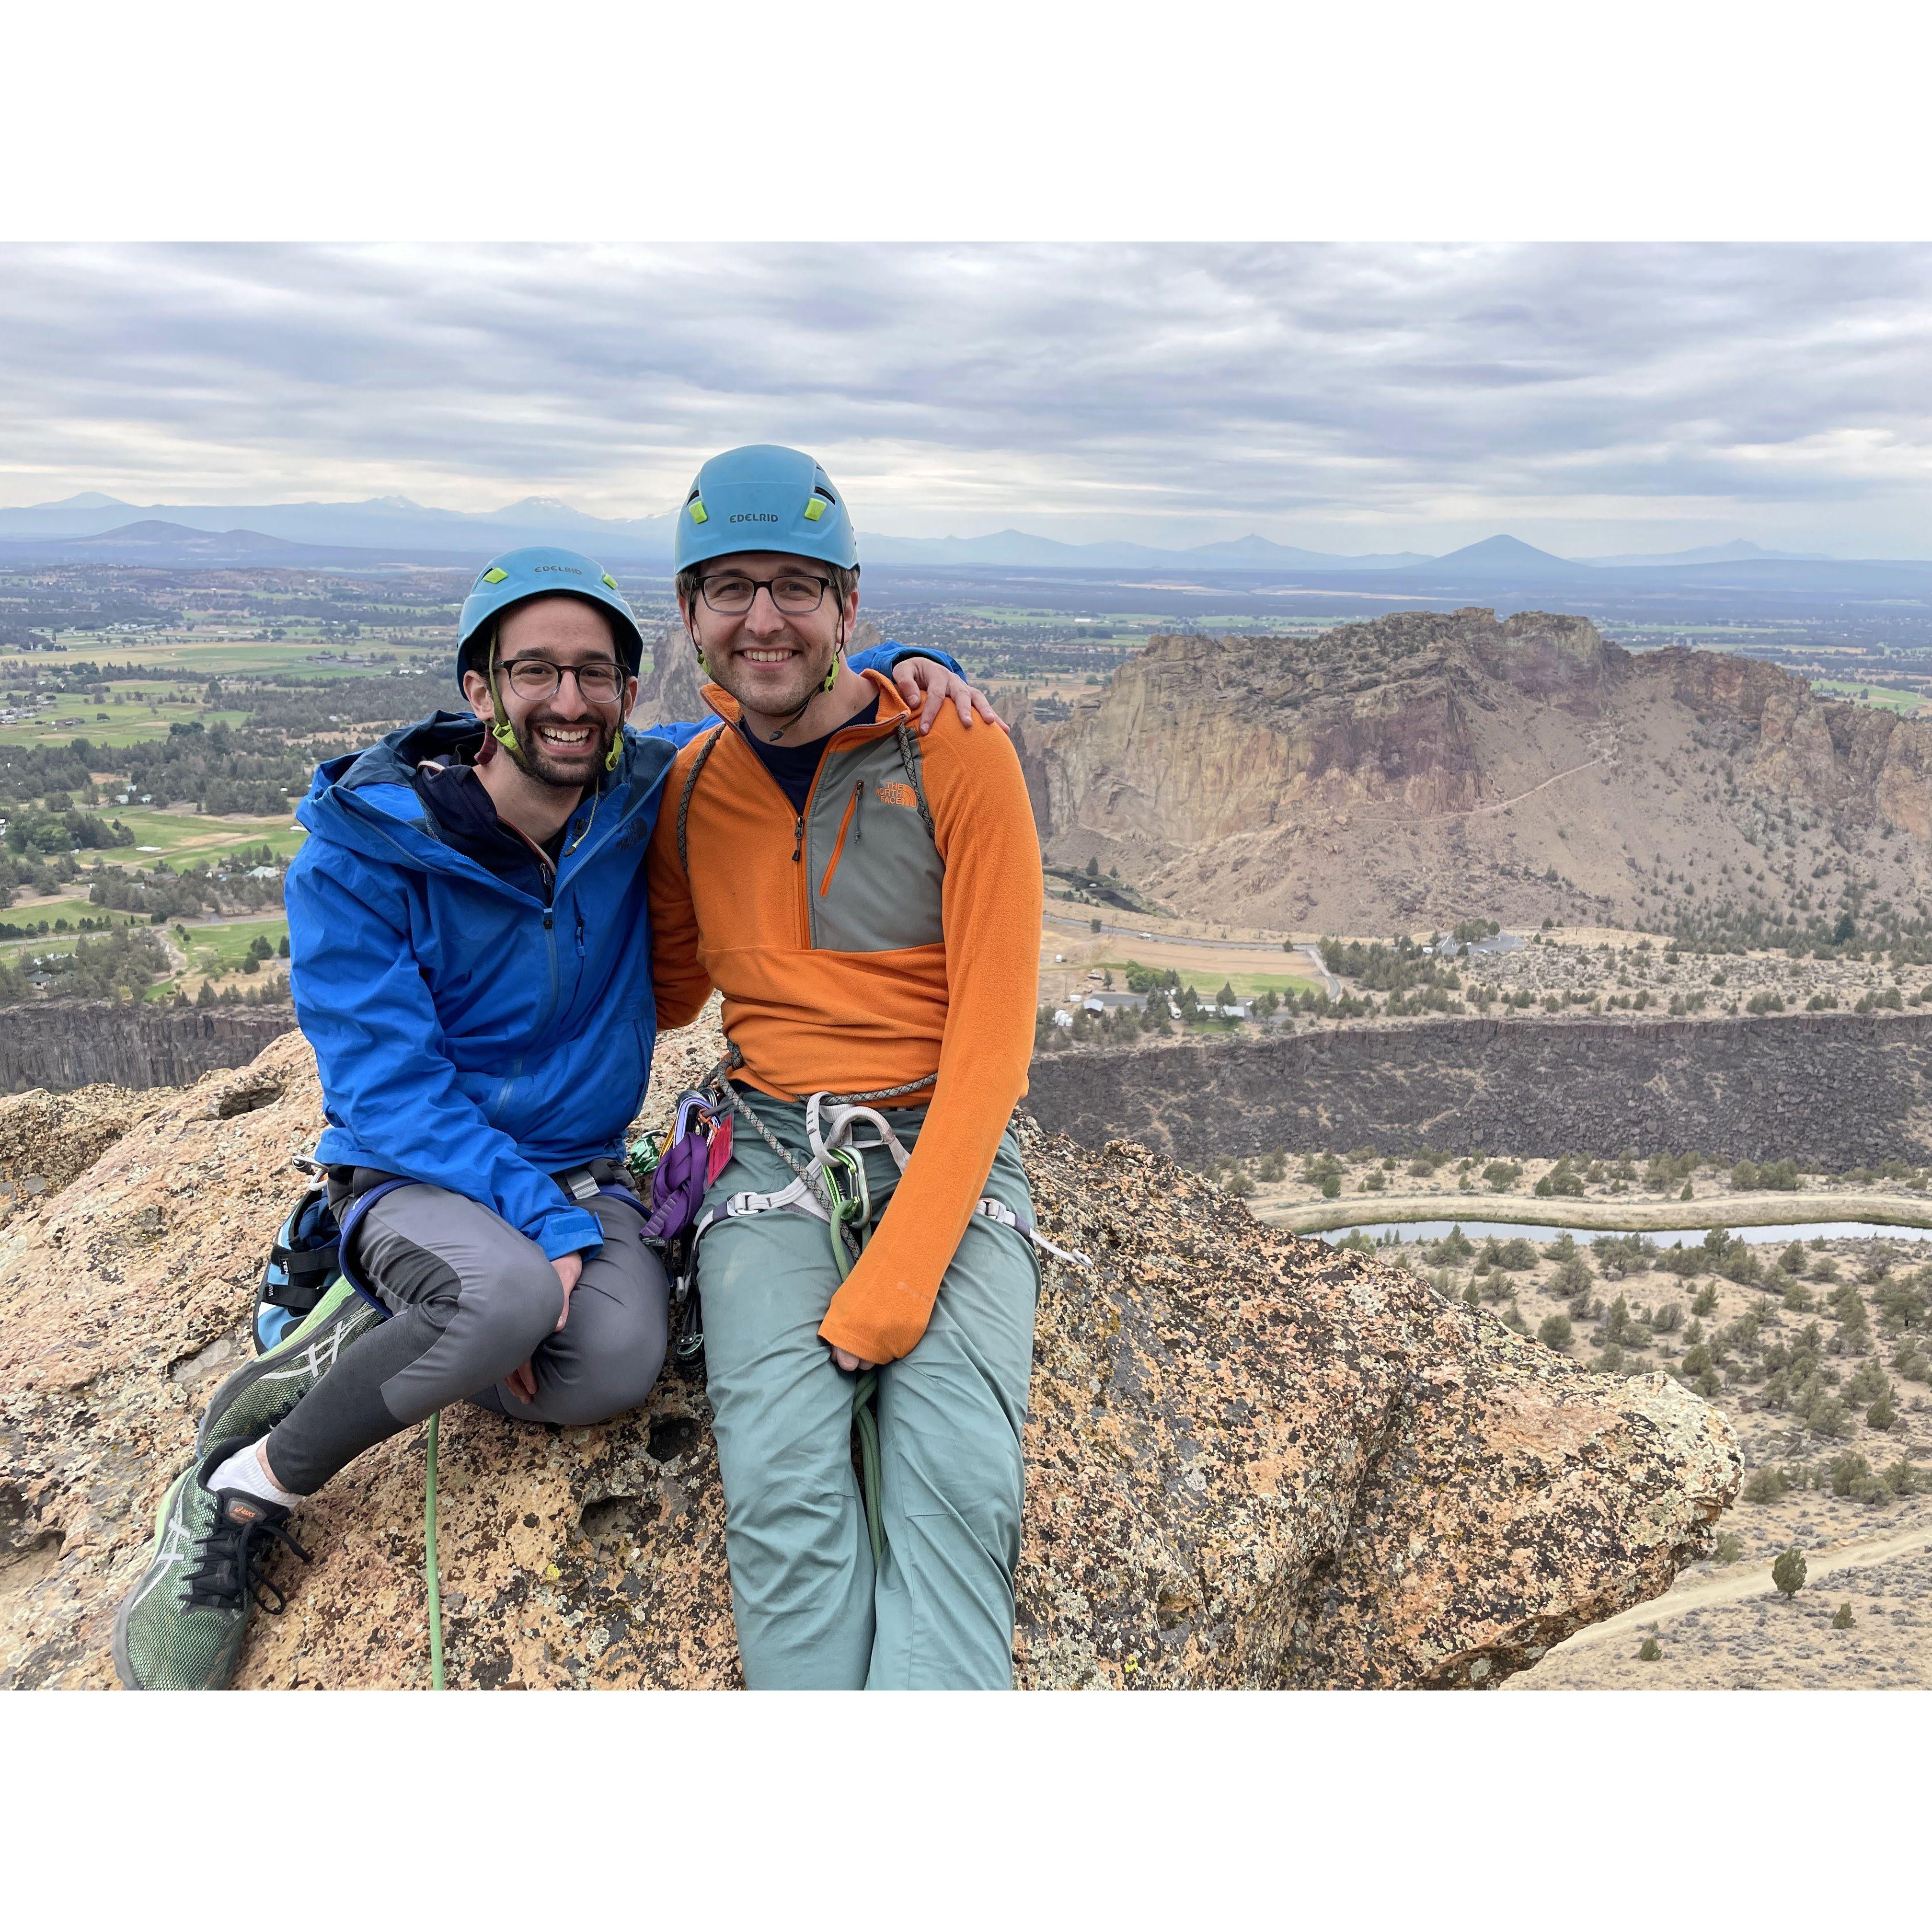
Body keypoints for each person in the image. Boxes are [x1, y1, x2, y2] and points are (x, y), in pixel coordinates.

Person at [114, 544, 994, 1690]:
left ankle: (387, 1337)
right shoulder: (361, 857)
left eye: (596, 674)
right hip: (415, 1176)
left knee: (613, 1367)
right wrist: (552, 1228)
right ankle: (247, 1489)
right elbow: (385, 1092)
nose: (568, 700)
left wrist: (912, 662)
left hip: (580, 1168)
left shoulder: (643, 790)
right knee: (514, 1292)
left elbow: (786, 685)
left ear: (632, 696)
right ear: (481, 691)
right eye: (534, 672)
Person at [647, 446, 1044, 1689]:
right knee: (783, 1500)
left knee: (956, 1498)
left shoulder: (955, 752)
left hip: (945, 1139)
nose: (762, 619)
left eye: (795, 588)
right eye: (729, 589)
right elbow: (664, 994)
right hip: (766, 1148)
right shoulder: (684, 788)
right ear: (690, 615)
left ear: (849, 608)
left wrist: (898, 1279)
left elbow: (993, 1039)